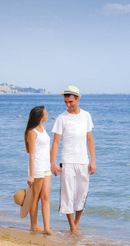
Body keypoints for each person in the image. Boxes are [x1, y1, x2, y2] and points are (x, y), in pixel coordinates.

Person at [51, 86, 96, 235]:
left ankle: (76, 223)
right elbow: (56, 142)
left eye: (70, 101)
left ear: (77, 99)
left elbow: (89, 139)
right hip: (68, 161)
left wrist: (93, 160)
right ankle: (72, 227)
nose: (68, 104)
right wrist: (53, 163)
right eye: (65, 102)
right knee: (67, 194)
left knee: (82, 194)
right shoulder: (62, 118)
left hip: (83, 161)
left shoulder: (86, 116)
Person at [25, 106, 53, 235]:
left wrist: (53, 163)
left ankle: (46, 227)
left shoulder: (44, 129)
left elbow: (47, 149)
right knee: (35, 198)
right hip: (37, 168)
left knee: (46, 197)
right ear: (41, 116)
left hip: (46, 167)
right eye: (46, 113)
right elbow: (31, 154)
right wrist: (31, 175)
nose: (48, 114)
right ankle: (33, 225)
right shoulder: (32, 132)